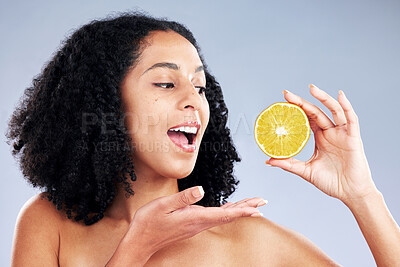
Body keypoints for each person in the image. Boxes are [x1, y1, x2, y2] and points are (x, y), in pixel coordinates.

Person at [7, 12, 400, 266]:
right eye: (165, 82)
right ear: (106, 102)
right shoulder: (47, 222)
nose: (194, 101)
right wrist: (135, 249)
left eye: (200, 86)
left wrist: (362, 194)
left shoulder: (248, 244)